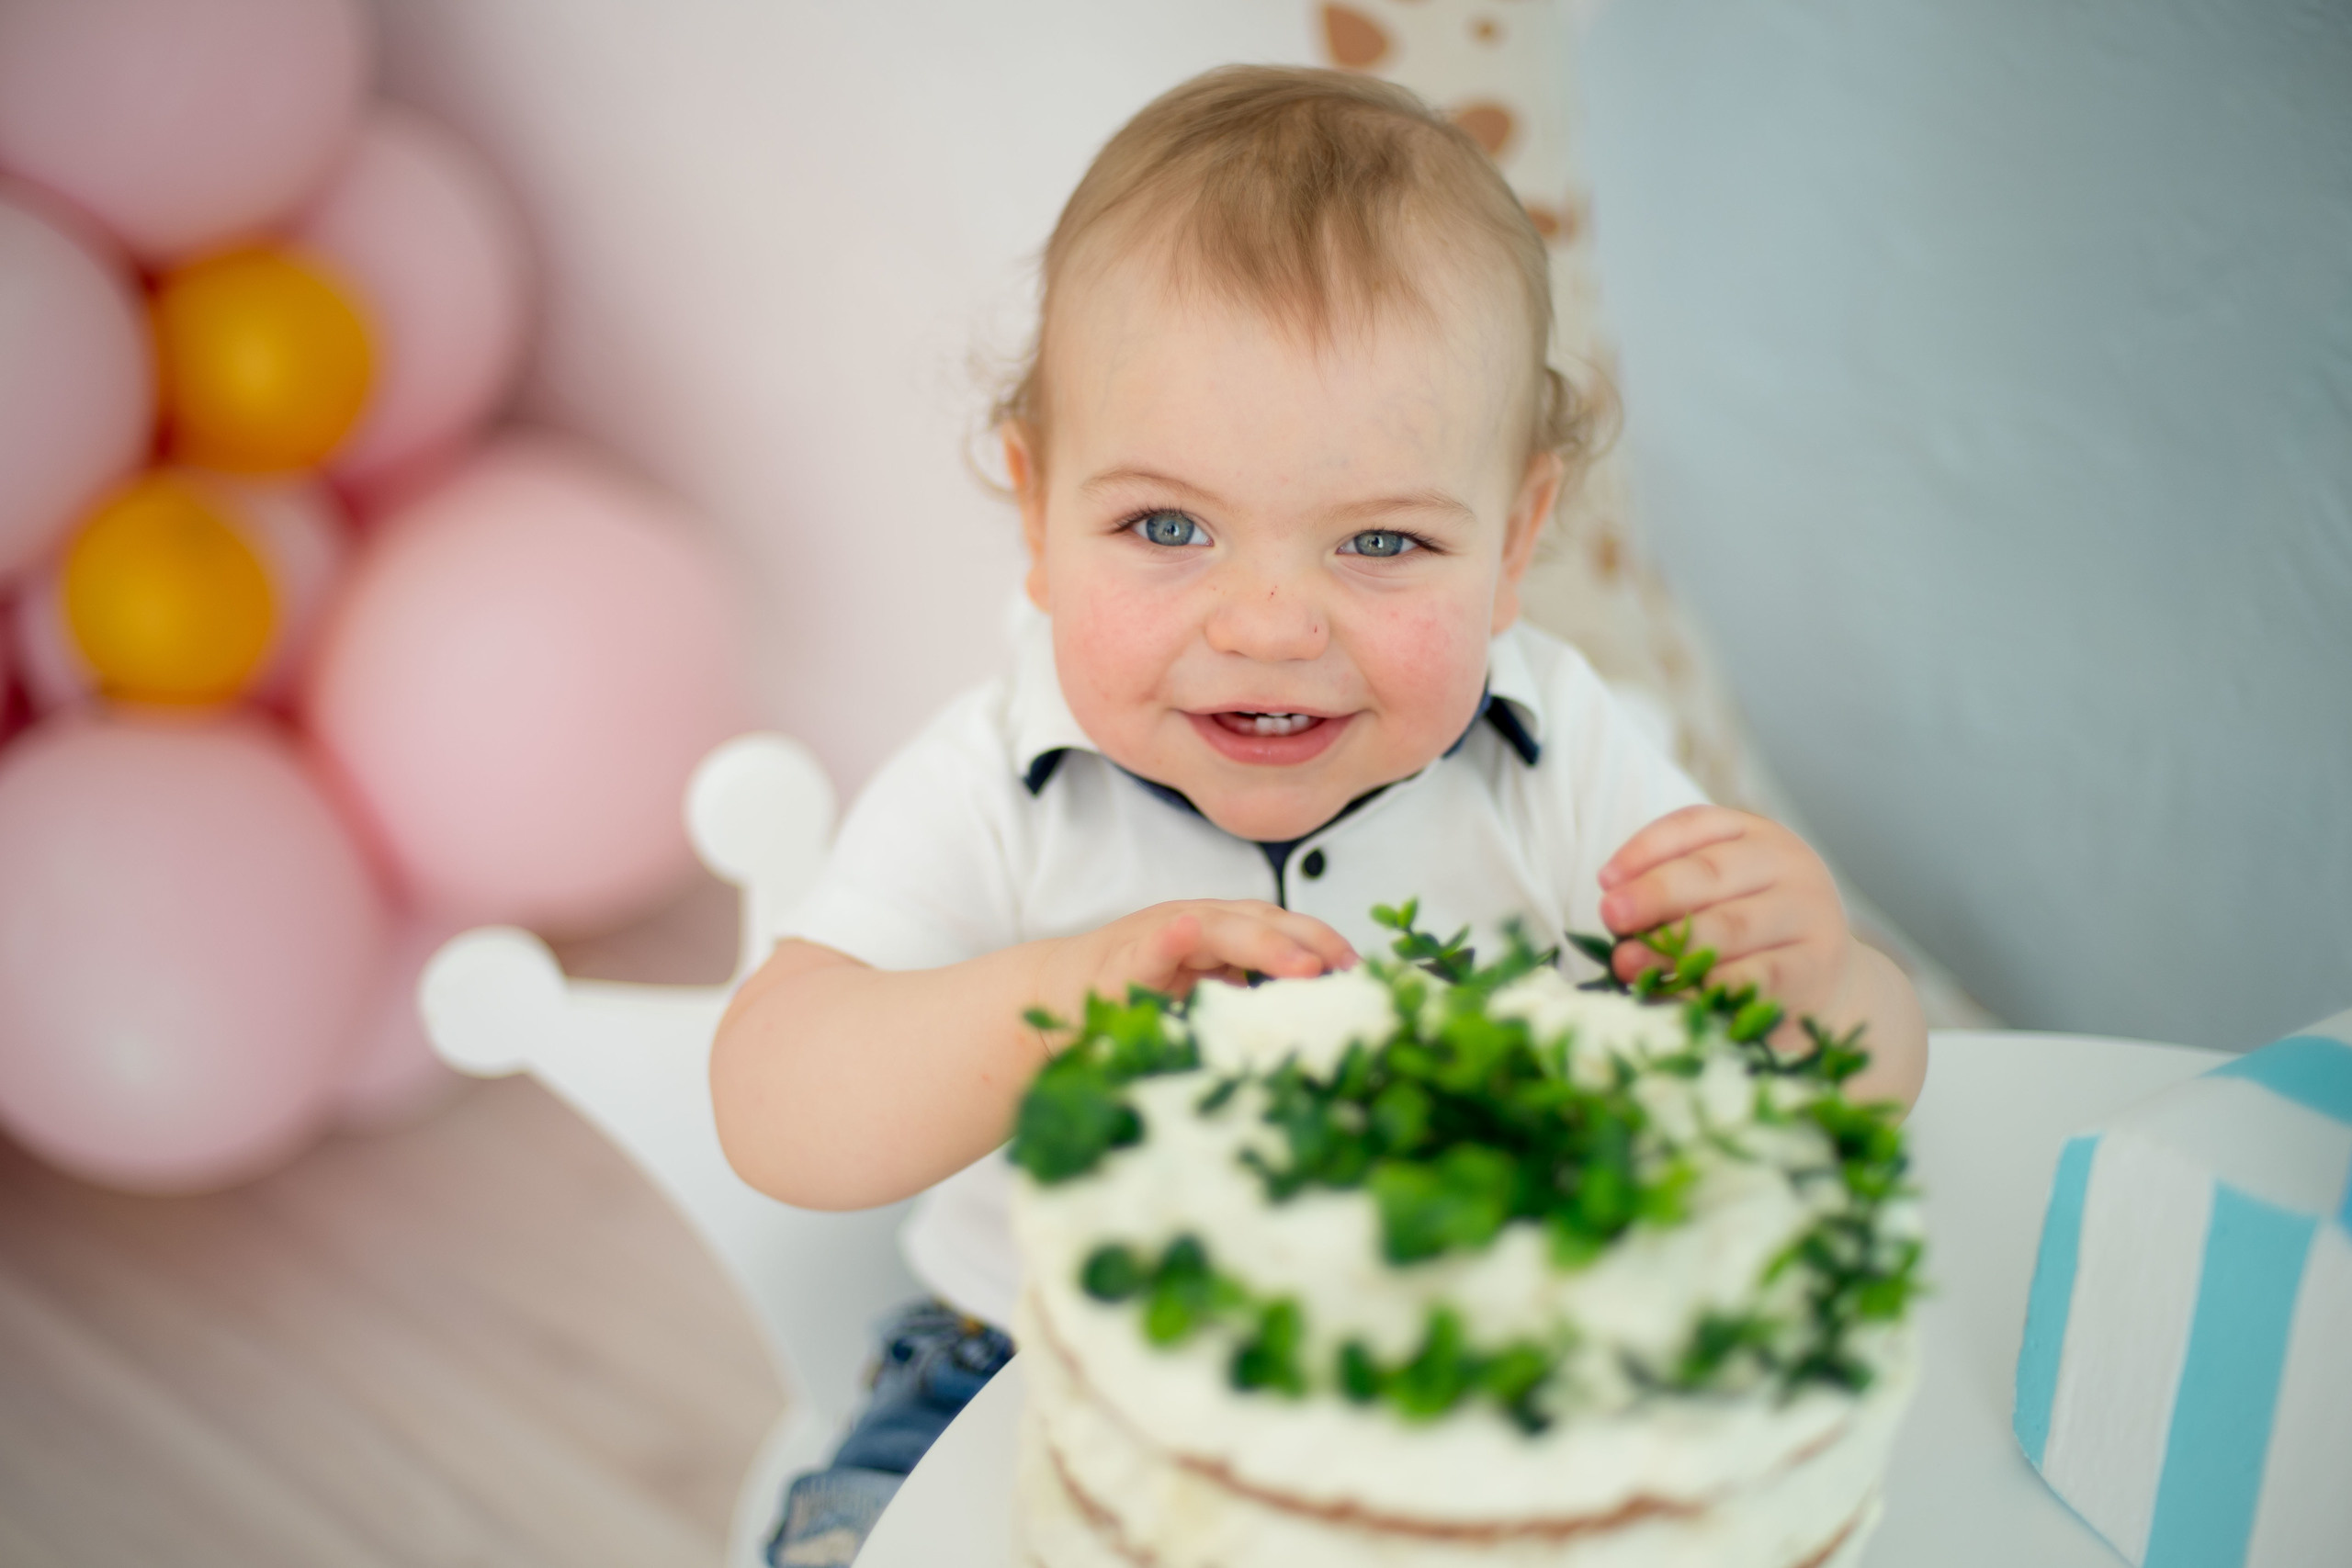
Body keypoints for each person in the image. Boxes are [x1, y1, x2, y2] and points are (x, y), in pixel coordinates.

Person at [712, 63, 1928, 1566]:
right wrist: (1055, 1005)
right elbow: (774, 1106)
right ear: (1034, 515)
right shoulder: (996, 791)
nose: (1274, 624)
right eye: (1168, 527)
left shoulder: (1558, 764)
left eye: (1381, 541)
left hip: (1466, 1387)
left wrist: (1815, 984)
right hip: (1024, 1369)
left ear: (1516, 541)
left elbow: (1853, 1096)